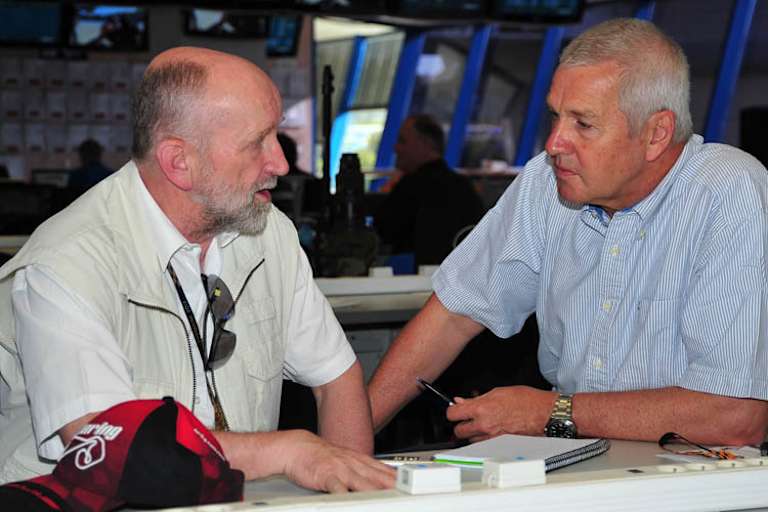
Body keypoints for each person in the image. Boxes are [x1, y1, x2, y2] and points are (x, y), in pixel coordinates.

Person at [0, 47, 394, 493]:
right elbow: (108, 448)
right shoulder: (68, 262)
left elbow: (336, 378)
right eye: (257, 143)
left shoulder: (268, 233)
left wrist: (353, 496)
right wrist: (291, 450)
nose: (281, 164)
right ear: (179, 162)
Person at [368, 18, 768, 447]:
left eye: (583, 124)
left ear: (656, 134)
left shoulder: (728, 192)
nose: (555, 143)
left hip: (695, 478)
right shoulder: (547, 180)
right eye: (556, 116)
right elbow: (451, 316)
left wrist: (547, 412)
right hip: (575, 458)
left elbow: (735, 416)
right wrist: (343, 442)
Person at [373, 114, 485, 267]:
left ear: (424, 144)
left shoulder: (411, 187)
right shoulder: (464, 187)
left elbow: (382, 233)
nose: (396, 148)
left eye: (402, 141)